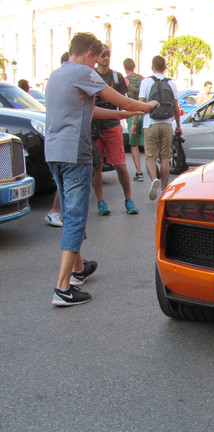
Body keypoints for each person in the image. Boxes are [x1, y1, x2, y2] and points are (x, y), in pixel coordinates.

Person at [46, 32, 157, 307]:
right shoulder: (84, 73)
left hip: (54, 153)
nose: (96, 66)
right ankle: (62, 289)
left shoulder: (57, 76)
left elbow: (91, 111)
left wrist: (123, 115)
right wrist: (147, 107)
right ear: (88, 55)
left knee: (71, 213)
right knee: (75, 218)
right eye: (96, 60)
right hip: (75, 154)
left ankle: (77, 269)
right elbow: (125, 99)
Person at [91, 44, 139, 216]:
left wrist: (132, 115)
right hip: (95, 127)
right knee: (97, 166)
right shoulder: (89, 75)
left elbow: (123, 101)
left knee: (120, 165)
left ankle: (129, 200)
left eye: (108, 55)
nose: (106, 58)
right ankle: (101, 202)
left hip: (112, 125)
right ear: (96, 56)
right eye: (103, 55)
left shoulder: (117, 77)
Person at [133, 55, 182, 200]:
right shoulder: (171, 84)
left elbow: (141, 102)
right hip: (167, 124)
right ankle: (163, 189)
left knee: (150, 157)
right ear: (164, 67)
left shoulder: (146, 82)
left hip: (151, 124)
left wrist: (134, 122)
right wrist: (178, 125)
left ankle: (154, 179)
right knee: (165, 158)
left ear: (152, 67)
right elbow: (176, 108)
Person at [45, 51, 71, 227]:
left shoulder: (55, 78)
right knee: (64, 181)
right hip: (63, 143)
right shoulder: (61, 80)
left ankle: (59, 211)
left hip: (59, 143)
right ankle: (55, 211)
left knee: (64, 182)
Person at [123, 57, 145, 182]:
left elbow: (123, 97)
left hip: (132, 113)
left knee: (134, 144)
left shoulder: (125, 80)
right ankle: (153, 167)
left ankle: (139, 172)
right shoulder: (142, 79)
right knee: (146, 144)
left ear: (125, 68)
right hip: (143, 112)